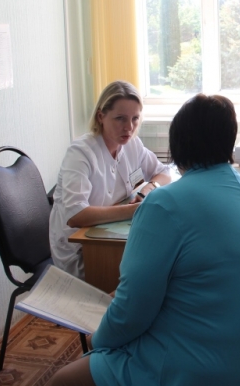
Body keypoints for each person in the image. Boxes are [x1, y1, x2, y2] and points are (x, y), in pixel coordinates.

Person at [50, 93, 240, 386]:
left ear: (176, 146)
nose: (128, 126)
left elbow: (133, 310)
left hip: (198, 381)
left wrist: (98, 341)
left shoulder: (163, 206)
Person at [49, 81, 172, 279]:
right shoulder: (80, 153)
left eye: (135, 118)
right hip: (80, 248)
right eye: (120, 119)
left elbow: (164, 173)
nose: (129, 127)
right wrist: (134, 210)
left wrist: (147, 189)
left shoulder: (132, 144)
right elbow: (76, 215)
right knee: (146, 274)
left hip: (110, 234)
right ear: (101, 117)